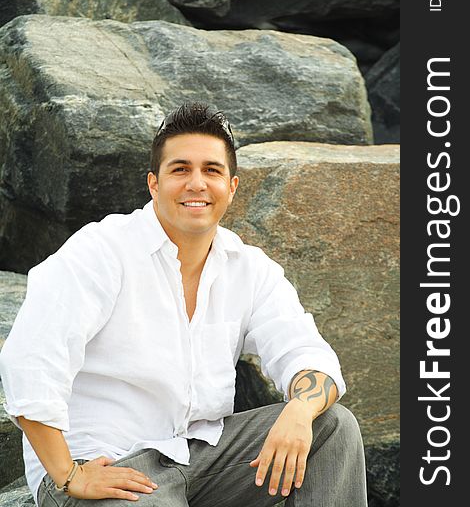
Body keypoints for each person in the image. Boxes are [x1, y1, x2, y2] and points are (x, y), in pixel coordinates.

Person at [0, 102, 367, 507]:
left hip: (201, 456)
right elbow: (31, 360)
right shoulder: (101, 250)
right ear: (154, 184)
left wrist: (299, 409)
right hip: (107, 463)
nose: (197, 183)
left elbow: (307, 352)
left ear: (232, 187)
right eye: (180, 169)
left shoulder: (250, 269)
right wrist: (67, 475)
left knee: (332, 427)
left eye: (212, 170)